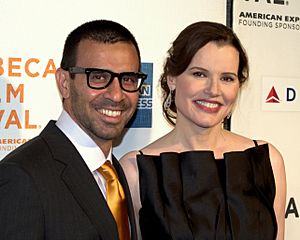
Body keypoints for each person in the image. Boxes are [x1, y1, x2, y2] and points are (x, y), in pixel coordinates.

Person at [120, 21, 286, 240]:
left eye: (227, 78)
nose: (213, 90)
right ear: (172, 79)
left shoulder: (267, 160)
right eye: (199, 74)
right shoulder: (136, 171)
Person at [0, 19, 147, 240]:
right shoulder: (22, 177)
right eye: (98, 77)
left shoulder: (115, 172)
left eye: (127, 79)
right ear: (64, 83)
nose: (116, 95)